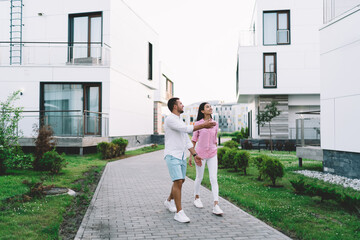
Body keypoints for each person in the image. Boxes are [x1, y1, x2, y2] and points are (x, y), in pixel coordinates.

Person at [163, 97, 216, 223]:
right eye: (180, 103)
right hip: (172, 155)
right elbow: (186, 129)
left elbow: (186, 139)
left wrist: (195, 154)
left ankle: (169, 201)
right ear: (175, 106)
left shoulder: (179, 120)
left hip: (181, 155)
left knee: (180, 181)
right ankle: (179, 212)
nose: (183, 105)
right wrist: (203, 125)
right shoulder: (170, 119)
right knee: (178, 181)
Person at [188, 102, 224, 215]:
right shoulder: (198, 124)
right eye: (207, 107)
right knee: (199, 177)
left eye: (210, 106)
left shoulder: (215, 123)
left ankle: (216, 205)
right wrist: (191, 156)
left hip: (213, 153)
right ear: (202, 111)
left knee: (214, 178)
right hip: (200, 154)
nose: (210, 108)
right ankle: (196, 198)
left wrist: (215, 147)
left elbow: (215, 138)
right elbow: (194, 140)